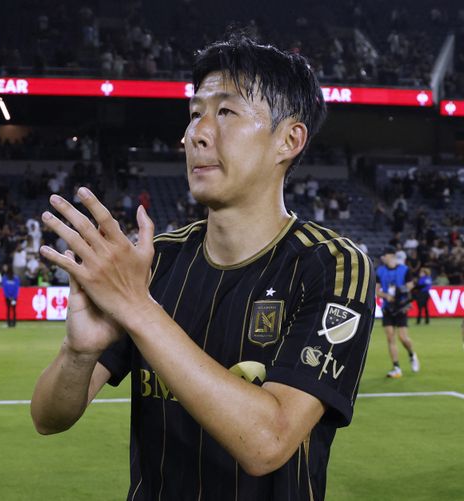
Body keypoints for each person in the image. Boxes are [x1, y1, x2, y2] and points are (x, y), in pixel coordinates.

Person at [31, 32, 375, 501]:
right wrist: (79, 352)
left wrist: (139, 309)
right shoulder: (156, 263)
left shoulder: (332, 266)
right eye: (195, 114)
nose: (196, 133)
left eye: (226, 112)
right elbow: (48, 418)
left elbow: (268, 443)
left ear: (289, 139)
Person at [376, 247, 420, 378]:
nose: (383, 258)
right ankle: (396, 367)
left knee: (403, 337)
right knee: (390, 337)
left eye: (384, 255)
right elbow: (376, 290)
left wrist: (401, 290)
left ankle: (412, 354)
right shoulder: (380, 271)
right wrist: (386, 295)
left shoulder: (404, 269)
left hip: (401, 307)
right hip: (388, 307)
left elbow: (411, 284)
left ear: (391, 256)